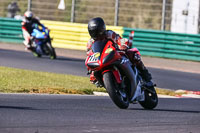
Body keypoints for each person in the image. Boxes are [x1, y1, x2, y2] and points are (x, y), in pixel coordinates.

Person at [86, 17, 153, 87]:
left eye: (97, 31)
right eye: (93, 32)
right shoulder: (90, 43)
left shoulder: (109, 34)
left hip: (116, 54)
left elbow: (120, 39)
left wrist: (123, 45)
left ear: (102, 29)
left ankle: (145, 74)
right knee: (93, 74)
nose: (96, 34)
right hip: (102, 60)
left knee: (133, 55)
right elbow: (90, 55)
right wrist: (91, 70)